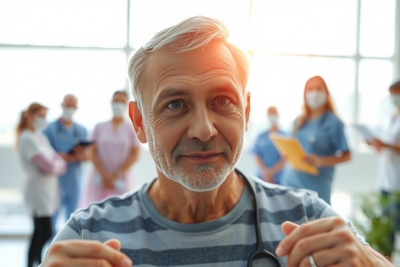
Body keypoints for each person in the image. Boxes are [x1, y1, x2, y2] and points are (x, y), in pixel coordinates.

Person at [41, 17, 392, 267]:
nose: (204, 130)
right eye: (175, 104)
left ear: (246, 110)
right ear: (139, 123)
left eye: (222, 101)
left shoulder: (307, 220)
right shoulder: (89, 237)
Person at [281, 76, 351, 204]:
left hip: (317, 186)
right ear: (305, 94)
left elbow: (347, 156)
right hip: (292, 182)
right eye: (310, 89)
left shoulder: (334, 122)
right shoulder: (299, 121)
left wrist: (320, 161)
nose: (314, 93)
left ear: (326, 93)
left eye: (319, 89)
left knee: (316, 220)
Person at [16, 103, 66, 267]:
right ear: (30, 116)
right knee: (44, 232)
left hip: (47, 190)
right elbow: (50, 165)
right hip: (37, 192)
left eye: (45, 115)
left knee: (40, 232)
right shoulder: (26, 137)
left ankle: (35, 263)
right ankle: (34, 263)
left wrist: (56, 165)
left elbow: (59, 161)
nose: (44, 119)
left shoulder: (40, 137)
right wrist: (56, 165)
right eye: (41, 115)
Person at [79, 91, 140, 208]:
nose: (118, 104)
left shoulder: (131, 128)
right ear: (111, 103)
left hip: (122, 178)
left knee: (122, 211)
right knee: (96, 211)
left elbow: (135, 155)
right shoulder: (99, 126)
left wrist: (115, 175)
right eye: (116, 101)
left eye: (122, 102)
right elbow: (91, 151)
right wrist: (104, 175)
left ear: (127, 105)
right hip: (99, 177)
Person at [43, 94, 89, 235]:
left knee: (73, 217)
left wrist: (69, 156)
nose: (69, 108)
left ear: (76, 108)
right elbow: (48, 155)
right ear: (62, 105)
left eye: (72, 106)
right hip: (55, 180)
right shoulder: (50, 129)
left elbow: (86, 156)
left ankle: (69, 247)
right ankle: (51, 249)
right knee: (52, 218)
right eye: (67, 105)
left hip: (74, 179)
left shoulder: (81, 130)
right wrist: (71, 157)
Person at [368, 81, 400, 250]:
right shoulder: (392, 117)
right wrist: (376, 144)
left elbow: (391, 145)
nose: (394, 98)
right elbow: (386, 147)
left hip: (398, 183)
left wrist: (386, 145)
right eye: (392, 94)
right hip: (385, 179)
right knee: (385, 228)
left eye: (397, 93)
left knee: (396, 225)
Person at [251, 106, 286, 184]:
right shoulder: (261, 136)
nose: (272, 116)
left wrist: (271, 172)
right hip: (261, 177)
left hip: (278, 179)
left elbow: (285, 158)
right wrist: (265, 172)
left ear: (278, 115)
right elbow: (257, 155)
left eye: (274, 113)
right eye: (270, 114)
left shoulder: (285, 136)